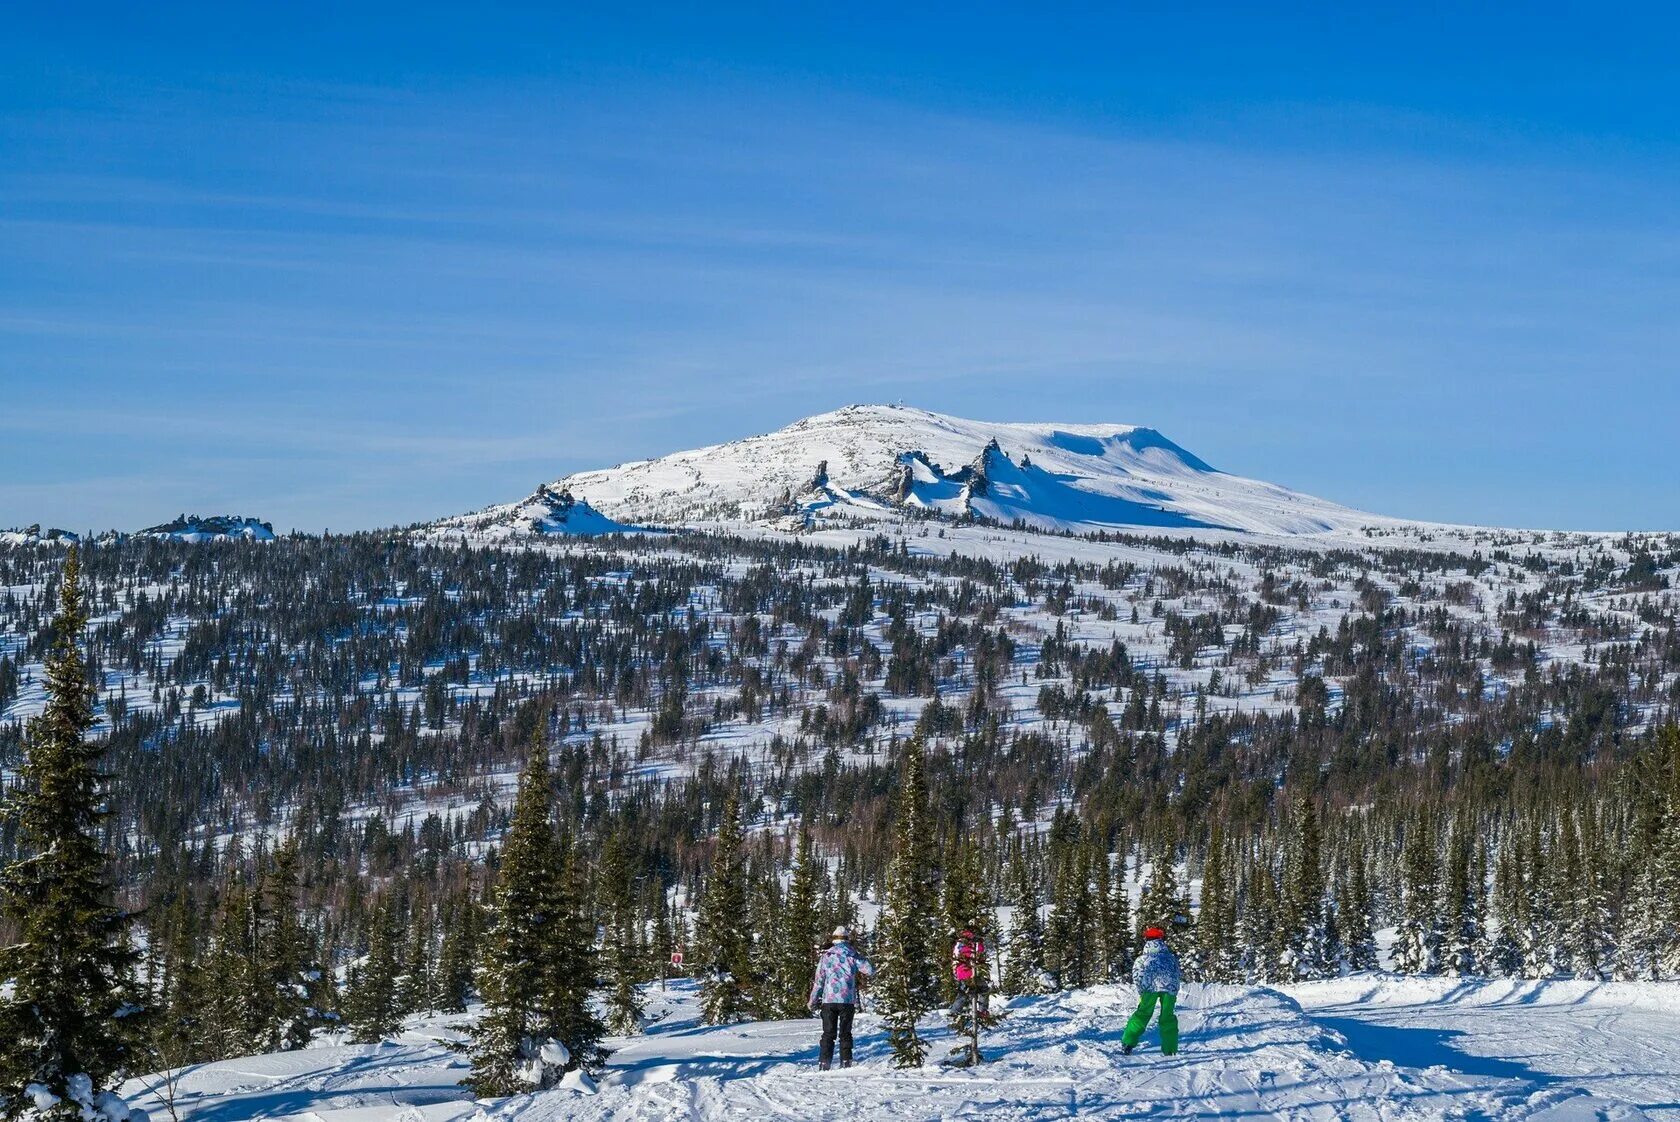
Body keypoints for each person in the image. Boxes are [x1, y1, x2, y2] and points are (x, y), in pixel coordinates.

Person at [808, 925, 874, 1070]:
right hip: (847, 1000)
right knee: (845, 1033)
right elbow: (869, 970)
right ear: (847, 939)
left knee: (828, 1033)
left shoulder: (826, 956)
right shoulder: (852, 955)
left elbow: (819, 981)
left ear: (834, 939)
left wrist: (812, 1000)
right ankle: (846, 1062)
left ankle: (824, 1063)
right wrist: (859, 957)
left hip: (829, 1000)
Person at [1121, 926, 1181, 1056]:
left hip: (1149, 989)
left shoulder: (1142, 959)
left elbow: (1137, 976)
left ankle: (1128, 1042)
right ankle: (1170, 1049)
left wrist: (1142, 991)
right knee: (1168, 1017)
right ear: (1161, 939)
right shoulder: (1170, 958)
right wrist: (1174, 990)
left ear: (1147, 939)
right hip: (1169, 989)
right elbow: (1177, 974)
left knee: (1142, 1014)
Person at [950, 927, 988, 1018]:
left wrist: (955, 971)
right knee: (984, 990)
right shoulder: (974, 941)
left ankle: (954, 1012)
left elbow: (954, 956)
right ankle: (983, 1011)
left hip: (960, 971)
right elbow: (980, 951)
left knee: (963, 993)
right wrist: (980, 941)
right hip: (971, 970)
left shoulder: (959, 942)